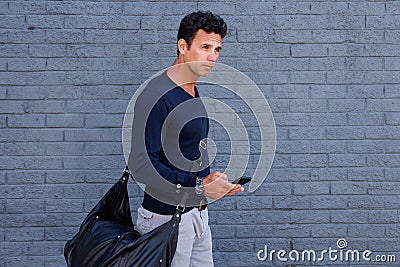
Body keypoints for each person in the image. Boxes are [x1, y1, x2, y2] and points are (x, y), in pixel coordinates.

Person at [128, 11, 243, 266]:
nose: (212, 57)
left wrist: (212, 183)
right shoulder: (156, 95)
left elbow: (187, 152)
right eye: (205, 47)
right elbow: (141, 166)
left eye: (217, 49)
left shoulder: (191, 89)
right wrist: (199, 184)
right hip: (165, 219)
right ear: (183, 46)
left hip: (197, 216)